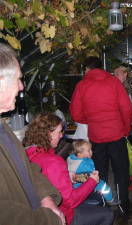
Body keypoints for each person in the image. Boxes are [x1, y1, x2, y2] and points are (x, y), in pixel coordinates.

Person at [0, 43, 65, 225]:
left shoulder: (3, 128)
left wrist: (46, 198)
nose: (21, 87)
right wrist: (49, 219)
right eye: (18, 79)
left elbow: (25, 168)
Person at [23, 113, 114, 225]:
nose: (62, 135)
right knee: (107, 214)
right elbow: (71, 201)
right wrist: (92, 181)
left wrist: (67, 176)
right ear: (48, 134)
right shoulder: (53, 162)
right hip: (62, 215)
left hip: (40, 211)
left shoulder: (28, 153)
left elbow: (48, 180)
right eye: (59, 132)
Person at [69, 57, 132, 213]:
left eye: (84, 69)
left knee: (99, 172)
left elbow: (75, 114)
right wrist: (125, 130)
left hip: (96, 137)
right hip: (116, 134)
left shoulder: (82, 85)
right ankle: (124, 205)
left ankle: (102, 205)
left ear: (88, 69)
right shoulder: (114, 82)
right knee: (121, 171)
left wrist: (92, 119)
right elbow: (127, 109)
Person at [67, 139, 114, 204]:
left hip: (73, 185)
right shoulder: (84, 164)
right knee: (103, 185)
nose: (91, 152)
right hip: (82, 184)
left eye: (91, 149)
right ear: (80, 154)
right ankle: (110, 199)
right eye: (89, 151)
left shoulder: (71, 158)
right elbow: (91, 177)